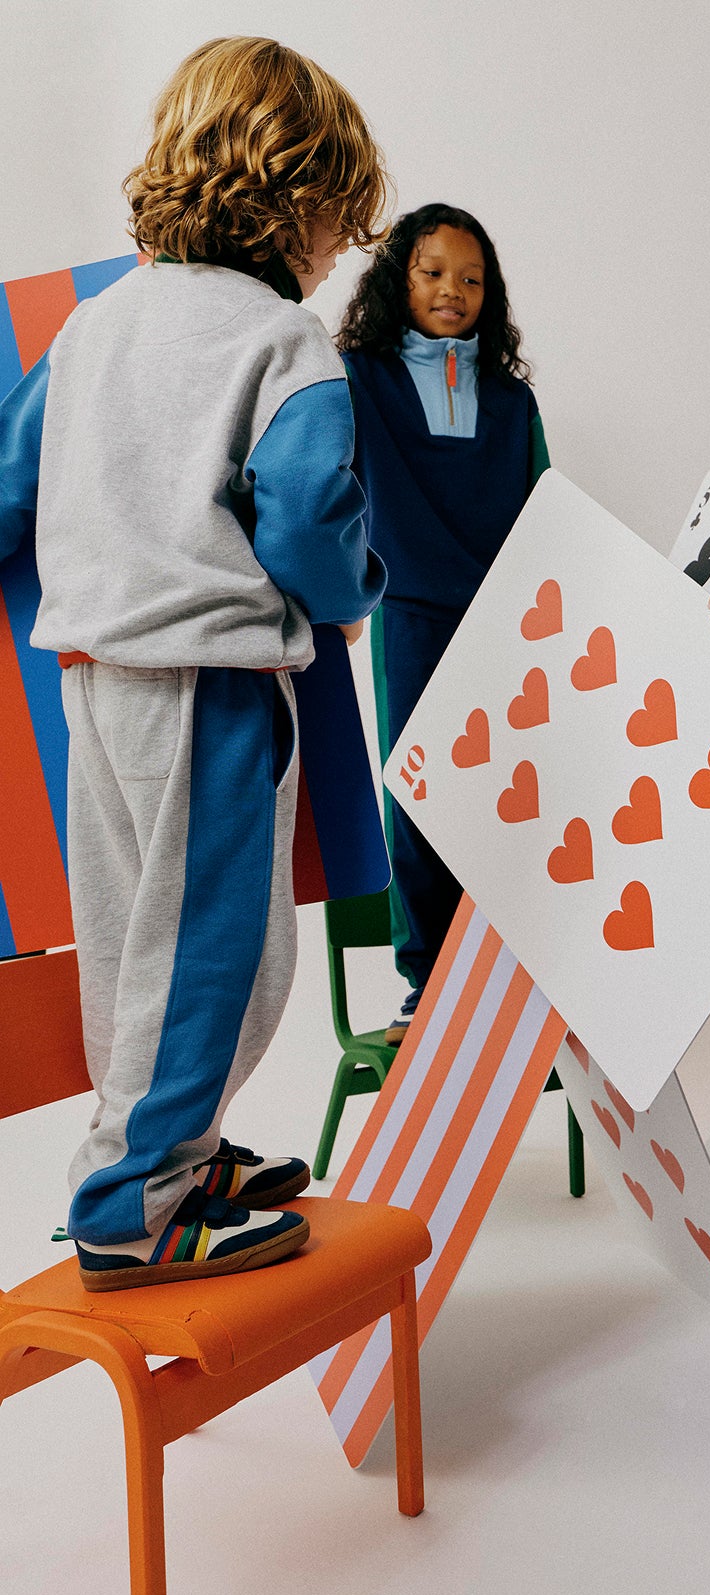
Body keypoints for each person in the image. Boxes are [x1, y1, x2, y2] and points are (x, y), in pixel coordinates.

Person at [0, 36, 389, 1289]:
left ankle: (183, 1150)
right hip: (216, 683)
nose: (340, 256)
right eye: (343, 223)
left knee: (130, 946)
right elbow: (304, 518)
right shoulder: (282, 342)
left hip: (93, 683)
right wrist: (356, 597)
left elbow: (10, 484)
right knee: (225, 947)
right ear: (301, 200)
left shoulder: (92, 329)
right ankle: (134, 1202)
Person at [336, 204, 548, 1045]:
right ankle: (428, 984)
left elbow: (542, 504)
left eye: (471, 278)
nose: (453, 291)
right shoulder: (359, 376)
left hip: (507, 616)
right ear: (398, 280)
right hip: (412, 609)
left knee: (508, 791)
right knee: (420, 789)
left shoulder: (512, 398)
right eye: (432, 273)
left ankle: (507, 978)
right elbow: (326, 484)